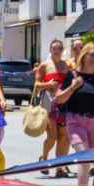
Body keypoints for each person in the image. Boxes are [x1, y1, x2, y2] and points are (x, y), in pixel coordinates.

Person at [56, 42, 94, 186]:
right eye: (91, 55)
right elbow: (58, 99)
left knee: (91, 158)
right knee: (84, 156)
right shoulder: (72, 75)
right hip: (75, 121)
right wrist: (72, 87)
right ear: (84, 55)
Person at [35, 39, 72, 176]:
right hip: (49, 103)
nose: (57, 51)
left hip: (64, 103)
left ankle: (59, 167)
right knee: (52, 137)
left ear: (62, 50)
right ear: (50, 50)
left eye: (59, 49)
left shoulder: (66, 65)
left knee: (63, 137)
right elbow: (36, 85)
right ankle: (44, 159)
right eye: (54, 49)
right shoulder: (44, 65)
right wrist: (48, 84)